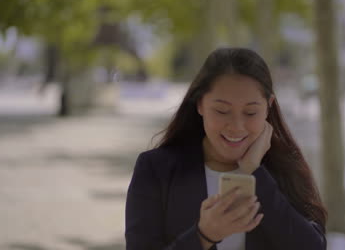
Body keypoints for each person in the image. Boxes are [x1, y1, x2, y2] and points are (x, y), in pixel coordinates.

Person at [125, 48, 327, 250]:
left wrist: (254, 172)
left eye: (250, 112)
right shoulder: (155, 169)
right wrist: (203, 235)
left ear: (268, 107)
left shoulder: (284, 168)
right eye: (222, 111)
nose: (236, 126)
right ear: (200, 104)